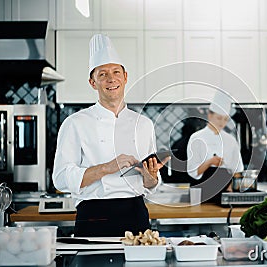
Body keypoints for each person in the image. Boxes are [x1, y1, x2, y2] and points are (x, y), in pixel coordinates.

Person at [52, 33, 168, 237]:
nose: (111, 79)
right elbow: (60, 179)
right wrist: (107, 168)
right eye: (102, 74)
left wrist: (151, 178)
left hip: (136, 213)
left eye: (116, 72)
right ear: (92, 82)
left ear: (125, 77)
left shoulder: (144, 124)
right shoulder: (75, 123)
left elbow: (150, 185)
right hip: (94, 214)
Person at [186, 91, 244, 203]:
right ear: (209, 115)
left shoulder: (230, 140)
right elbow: (193, 172)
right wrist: (209, 162)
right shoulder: (196, 138)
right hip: (201, 194)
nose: (222, 123)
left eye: (225, 119)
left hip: (224, 194)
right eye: (219, 118)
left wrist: (231, 188)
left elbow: (237, 170)